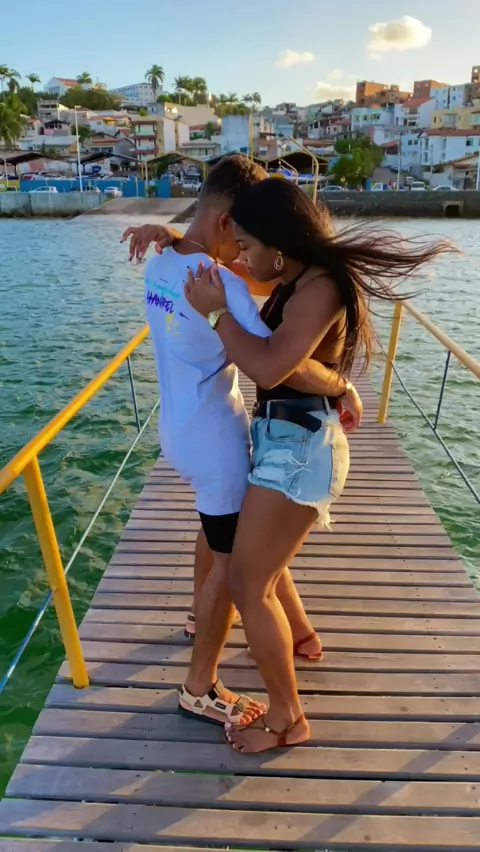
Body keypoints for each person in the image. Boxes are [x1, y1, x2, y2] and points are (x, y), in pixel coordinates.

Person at [184, 177, 452, 753]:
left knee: (247, 583)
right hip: (285, 439)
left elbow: (270, 366)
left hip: (301, 450)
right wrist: (340, 385)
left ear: (278, 243)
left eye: (248, 244)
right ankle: (302, 637)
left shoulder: (320, 286)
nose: (243, 257)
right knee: (259, 564)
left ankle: (288, 719)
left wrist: (216, 316)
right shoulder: (295, 277)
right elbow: (293, 359)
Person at [124, 156, 363, 726]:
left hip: (177, 428)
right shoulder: (224, 285)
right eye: (245, 238)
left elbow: (216, 263)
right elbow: (279, 362)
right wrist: (344, 385)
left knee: (235, 538)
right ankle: (200, 688)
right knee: (234, 568)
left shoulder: (161, 262)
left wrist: (174, 235)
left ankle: (292, 631)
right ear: (230, 222)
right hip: (216, 436)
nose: (247, 253)